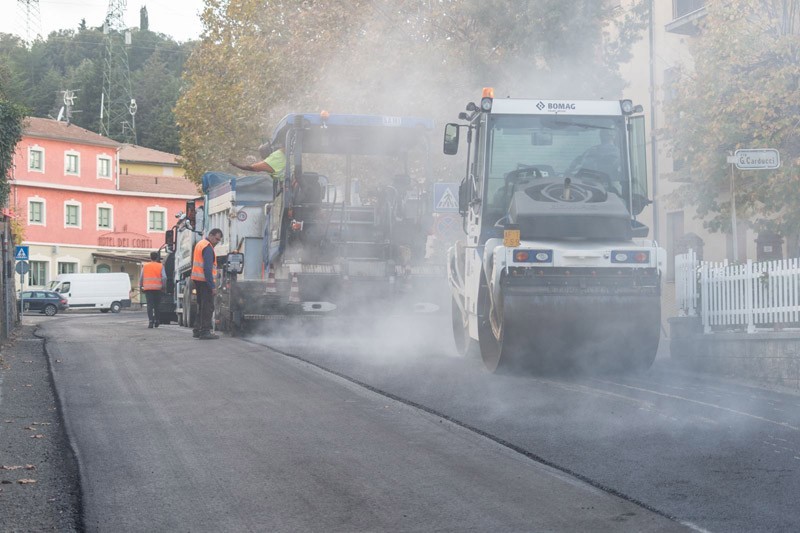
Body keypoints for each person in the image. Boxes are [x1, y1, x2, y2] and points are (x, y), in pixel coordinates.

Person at [191, 228, 223, 340]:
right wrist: (212, 286)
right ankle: (205, 331)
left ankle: (197, 330)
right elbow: (208, 269)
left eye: (219, 240)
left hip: (198, 280)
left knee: (202, 306)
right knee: (208, 307)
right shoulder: (208, 247)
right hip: (205, 281)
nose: (217, 242)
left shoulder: (200, 244)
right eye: (216, 239)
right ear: (211, 235)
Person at [139, 251, 167, 329]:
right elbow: (164, 277)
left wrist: (141, 286)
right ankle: (157, 321)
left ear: (150, 257)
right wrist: (163, 287)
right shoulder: (160, 266)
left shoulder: (145, 266)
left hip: (148, 289)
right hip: (158, 289)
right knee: (157, 305)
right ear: (157, 257)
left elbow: (141, 277)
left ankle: (151, 321)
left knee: (150, 305)